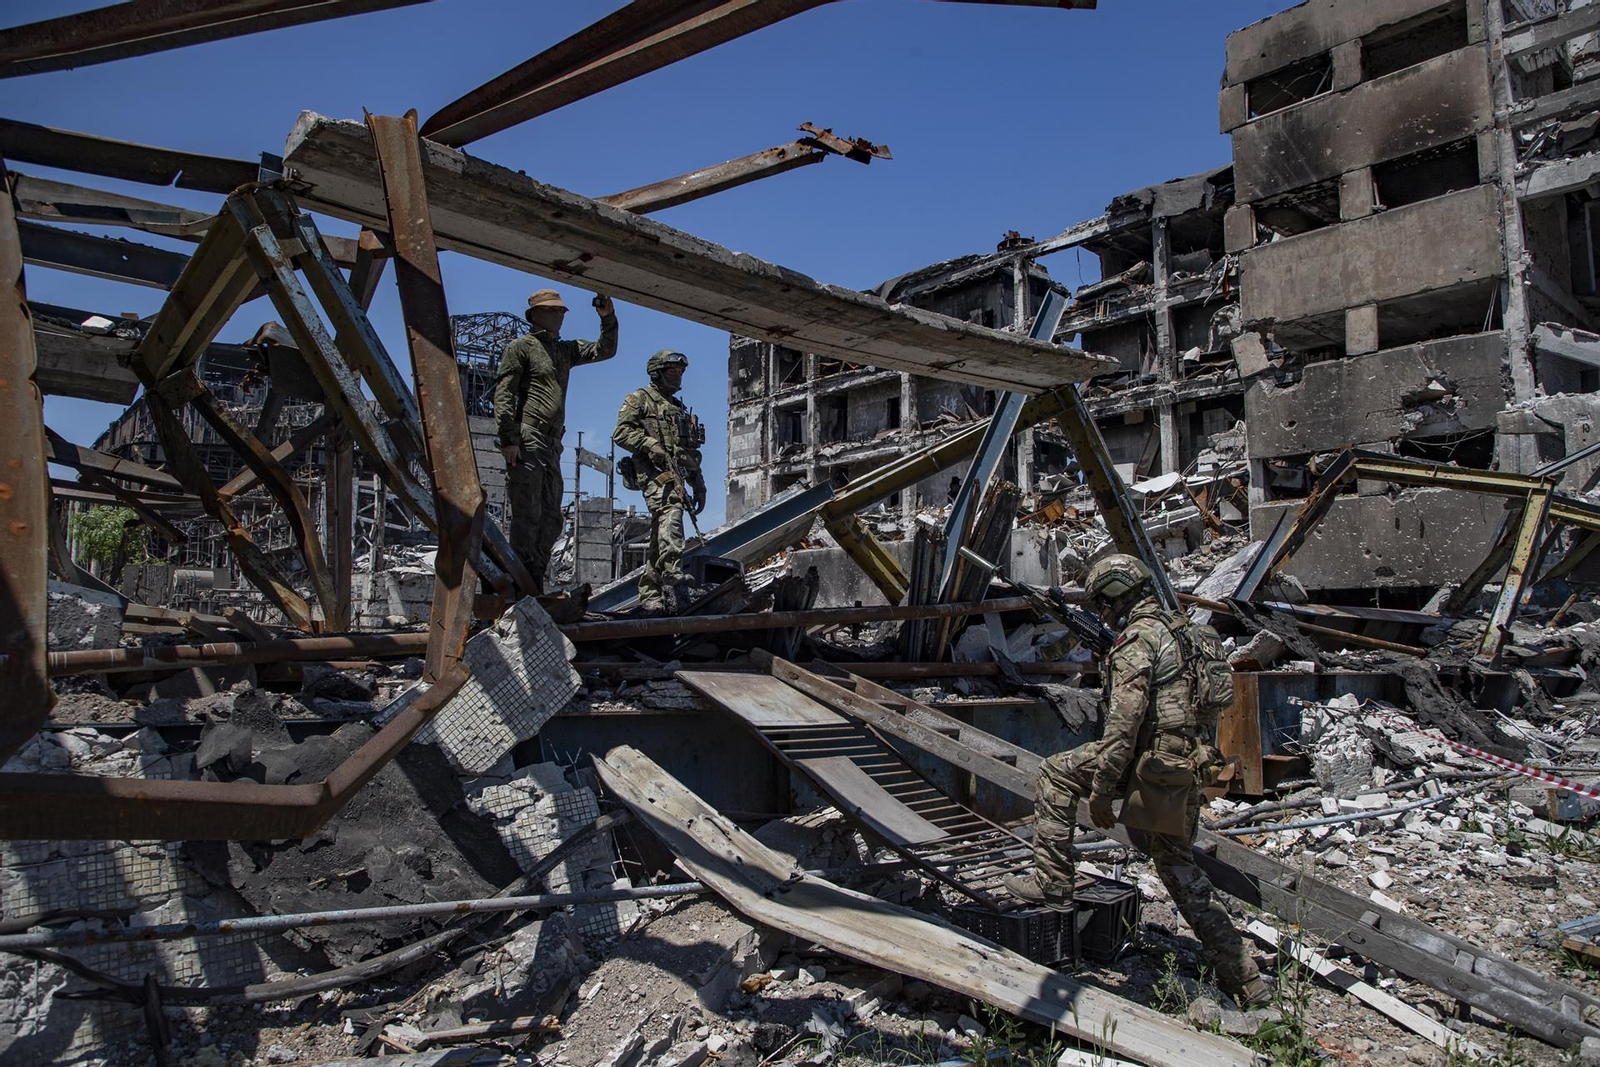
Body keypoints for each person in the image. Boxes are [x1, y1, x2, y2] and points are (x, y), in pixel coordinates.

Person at [1003, 553, 1269, 1006]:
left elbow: (1123, 728)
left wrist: (1102, 790)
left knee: (1055, 773)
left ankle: (1053, 883)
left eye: (1102, 603)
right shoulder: (1194, 635)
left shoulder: (1138, 640)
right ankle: (1245, 978)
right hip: (1188, 765)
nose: (1102, 613)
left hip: (1144, 763)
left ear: (1114, 597)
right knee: (1178, 866)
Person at [492, 289, 617, 592]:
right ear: (535, 315)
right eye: (552, 311)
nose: (558, 316)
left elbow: (605, 350)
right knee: (528, 513)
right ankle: (519, 583)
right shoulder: (521, 348)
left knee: (551, 516)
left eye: (561, 311)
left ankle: (534, 578)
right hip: (528, 438)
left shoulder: (564, 350)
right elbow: (504, 394)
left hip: (551, 443)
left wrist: (607, 318)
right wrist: (509, 439)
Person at [613, 350, 705, 613]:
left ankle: (651, 593)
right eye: (673, 371)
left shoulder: (678, 408)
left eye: (681, 372)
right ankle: (672, 570)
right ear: (657, 373)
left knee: (659, 532)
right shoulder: (639, 399)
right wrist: (649, 444)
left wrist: (699, 485)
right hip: (653, 472)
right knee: (671, 510)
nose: (678, 376)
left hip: (677, 474)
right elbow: (621, 433)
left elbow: (687, 453)